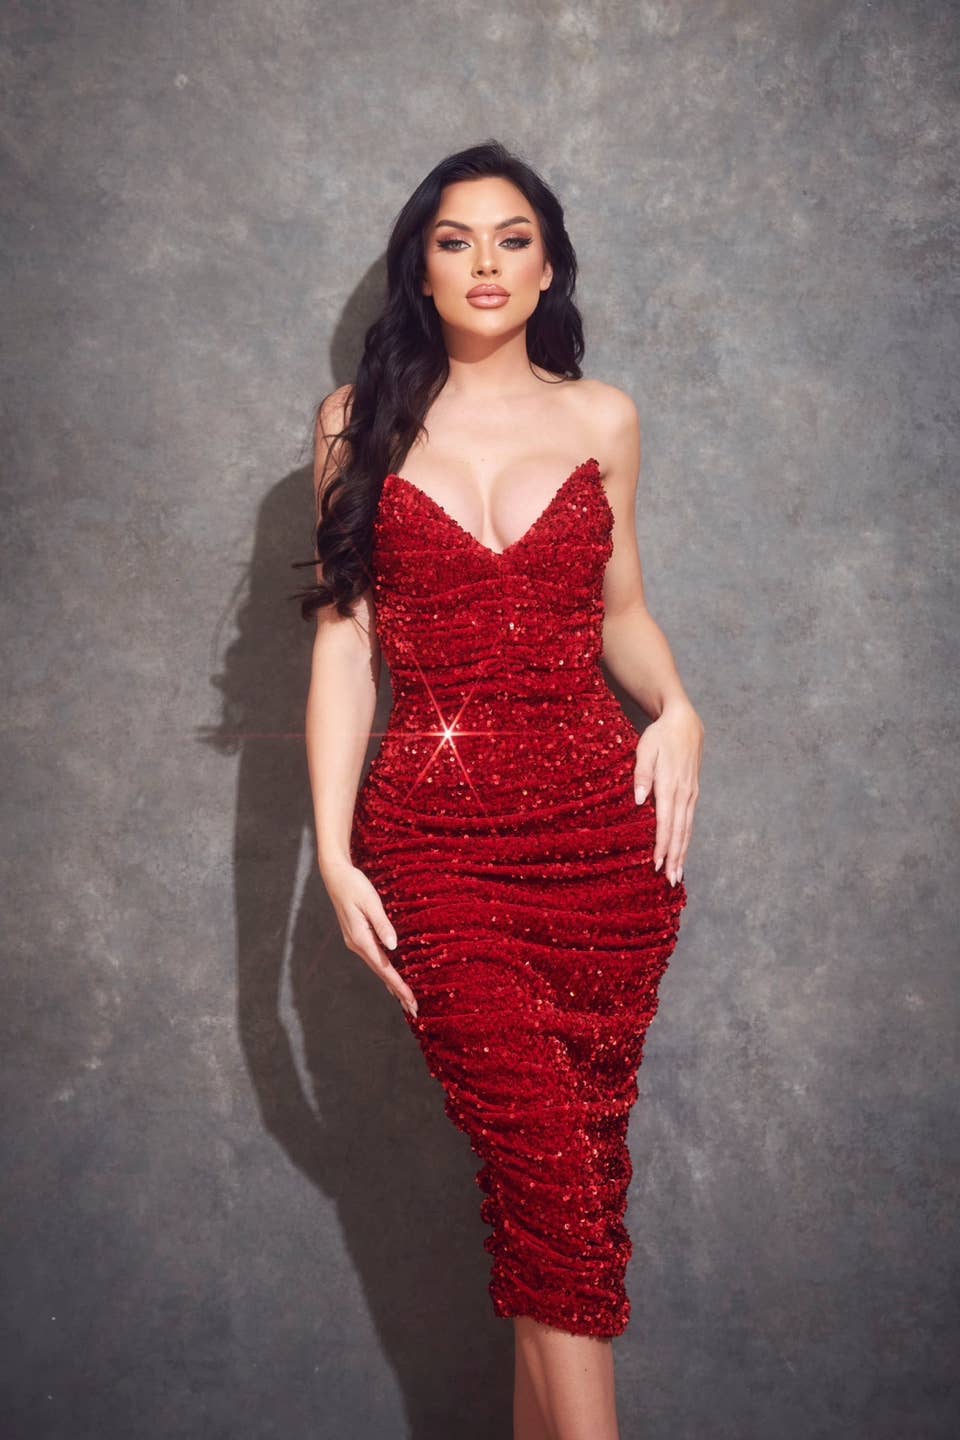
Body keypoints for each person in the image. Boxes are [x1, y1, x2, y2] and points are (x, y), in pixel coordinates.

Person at [294, 139, 705, 1440]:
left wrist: (682, 708)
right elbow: (345, 645)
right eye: (455, 238)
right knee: (552, 1187)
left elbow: (621, 612)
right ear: (420, 268)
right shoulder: (356, 424)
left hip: (603, 856)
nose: (485, 262)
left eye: (512, 238)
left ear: (547, 267)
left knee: (563, 1210)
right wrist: (335, 854)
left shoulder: (603, 418)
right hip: (436, 855)